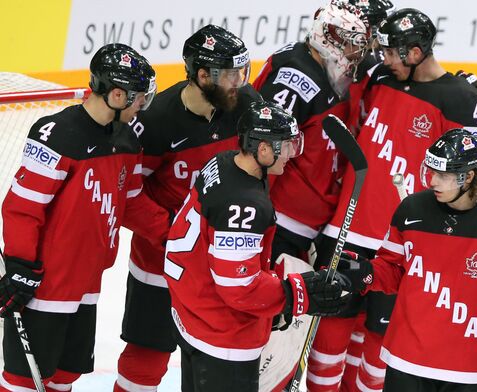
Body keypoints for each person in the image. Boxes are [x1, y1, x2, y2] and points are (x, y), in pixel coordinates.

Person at [311, 8, 477, 392]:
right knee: (328, 337)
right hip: (347, 227)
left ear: (415, 53)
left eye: (393, 52)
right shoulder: (380, 76)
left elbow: (467, 172)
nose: (384, 58)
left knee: (378, 346)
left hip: (401, 239)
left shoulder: (460, 101)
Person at [0, 43, 170, 391]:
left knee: (65, 377)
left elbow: (132, 202)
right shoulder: (58, 134)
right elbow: (22, 207)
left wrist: (179, 233)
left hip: (88, 283)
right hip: (46, 282)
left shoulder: (126, 141)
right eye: (139, 98)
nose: (143, 106)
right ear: (118, 95)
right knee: (23, 381)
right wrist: (20, 266)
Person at [113, 25, 262, 392]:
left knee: (212, 359)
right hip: (163, 262)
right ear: (201, 75)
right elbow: (127, 196)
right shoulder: (155, 120)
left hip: (222, 262)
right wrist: (176, 237)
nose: (238, 82)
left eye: (242, 73)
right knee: (146, 358)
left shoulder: (246, 105)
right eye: (230, 74)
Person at [164, 101, 349, 392]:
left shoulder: (224, 162)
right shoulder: (245, 205)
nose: (291, 154)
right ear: (263, 149)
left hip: (193, 312)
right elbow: (239, 287)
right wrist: (296, 294)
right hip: (223, 336)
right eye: (286, 145)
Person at [341, 128, 477, 391]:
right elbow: (394, 269)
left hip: (471, 368)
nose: (432, 181)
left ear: (468, 176)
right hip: (407, 359)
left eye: (442, 175)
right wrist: (363, 272)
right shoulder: (411, 210)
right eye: (431, 171)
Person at [253, 0, 369, 263]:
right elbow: (263, 146)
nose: (354, 54)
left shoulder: (318, 68)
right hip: (278, 221)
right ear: (328, 37)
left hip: (299, 226)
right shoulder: (296, 77)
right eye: (350, 43)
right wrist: (257, 209)